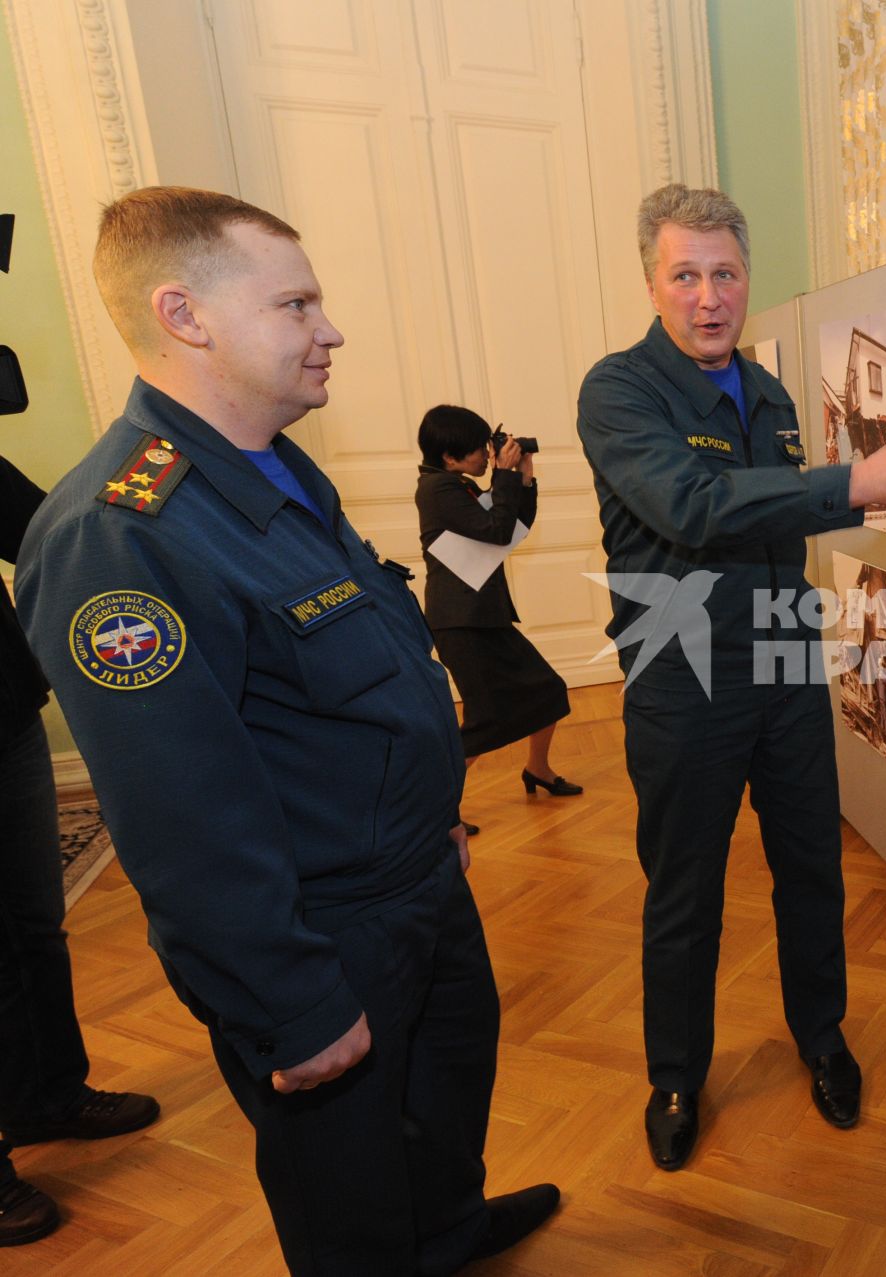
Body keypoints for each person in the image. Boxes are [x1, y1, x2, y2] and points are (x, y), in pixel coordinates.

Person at [15, 186, 556, 1275]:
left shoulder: (275, 461)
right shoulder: (119, 534)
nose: (331, 328)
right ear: (186, 314)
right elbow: (183, 815)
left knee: (443, 1095)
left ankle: (446, 1233)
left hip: (415, 877)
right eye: (297, 304)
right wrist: (292, 1002)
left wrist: (433, 822)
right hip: (320, 931)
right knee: (344, 1182)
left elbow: (360, 678)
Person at [575, 183, 886, 1173]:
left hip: (786, 661)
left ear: (747, 279)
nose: (709, 296)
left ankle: (823, 1037)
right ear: (650, 280)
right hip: (683, 676)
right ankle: (676, 1073)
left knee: (810, 866)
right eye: (686, 274)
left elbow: (776, 523)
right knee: (686, 889)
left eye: (726, 274)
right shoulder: (619, 390)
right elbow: (694, 504)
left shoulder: (772, 393)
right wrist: (856, 483)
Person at [1, 455, 161, 1248]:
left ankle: (48, 1096)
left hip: (3, 717)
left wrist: (147, 463)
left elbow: (48, 528)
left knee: (32, 926)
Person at [415, 404, 581, 824]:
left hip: (484, 616)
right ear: (449, 458)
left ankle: (537, 770)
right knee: (484, 719)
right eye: (477, 450)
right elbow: (497, 529)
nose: (487, 456)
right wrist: (503, 477)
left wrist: (522, 477)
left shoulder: (457, 485)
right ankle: (436, 811)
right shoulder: (438, 489)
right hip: (461, 622)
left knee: (548, 690)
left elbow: (514, 524)